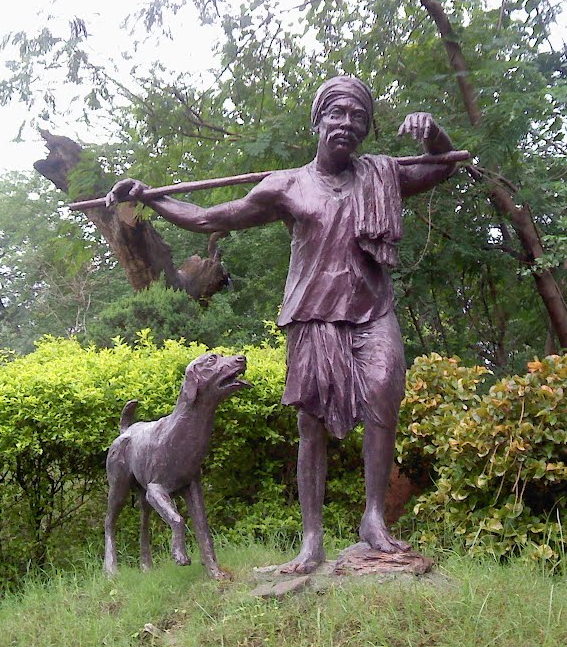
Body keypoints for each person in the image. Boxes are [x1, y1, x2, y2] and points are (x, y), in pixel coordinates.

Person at [105, 76, 456, 573]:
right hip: (312, 316)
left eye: (358, 117)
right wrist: (151, 198)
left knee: (384, 395)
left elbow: (443, 167)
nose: (347, 124)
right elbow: (209, 216)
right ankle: (312, 540)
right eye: (337, 114)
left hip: (372, 310)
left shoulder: (382, 176)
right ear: (318, 121)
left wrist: (434, 134)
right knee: (309, 422)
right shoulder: (285, 186)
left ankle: (373, 519)